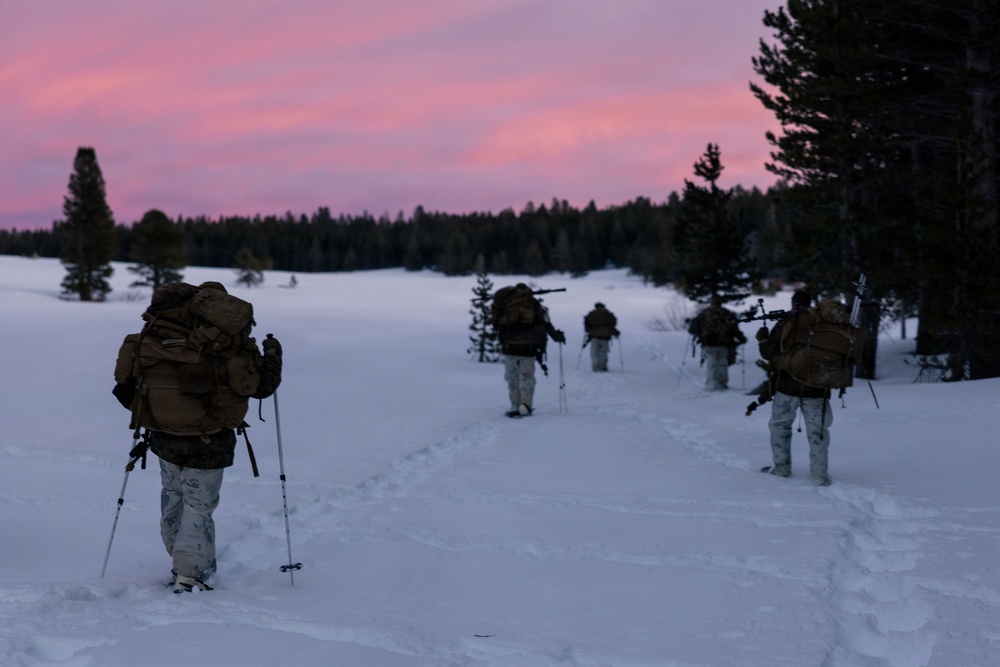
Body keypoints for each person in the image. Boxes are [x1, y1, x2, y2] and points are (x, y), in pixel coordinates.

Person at [114, 282, 283, 592]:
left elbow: (124, 384)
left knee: (173, 496)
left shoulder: (154, 336)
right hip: (209, 439)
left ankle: (183, 562)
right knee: (199, 506)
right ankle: (189, 574)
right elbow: (260, 387)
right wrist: (273, 355)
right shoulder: (227, 345)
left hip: (163, 436)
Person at [756, 289, 833, 486]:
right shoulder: (824, 324)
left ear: (793, 304)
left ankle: (782, 469)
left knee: (780, 427)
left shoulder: (785, 323)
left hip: (787, 388)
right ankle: (819, 476)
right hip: (817, 389)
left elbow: (769, 354)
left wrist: (763, 339)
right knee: (818, 433)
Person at [492, 283, 566, 417]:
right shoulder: (536, 306)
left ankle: (515, 405)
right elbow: (547, 325)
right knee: (527, 377)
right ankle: (526, 405)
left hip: (510, 347)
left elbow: (496, 324)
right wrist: (558, 337)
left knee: (512, 378)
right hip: (529, 347)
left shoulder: (506, 304)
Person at [687, 295, 747, 390]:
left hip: (708, 343)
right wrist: (741, 338)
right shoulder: (726, 313)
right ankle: (723, 383)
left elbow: (693, 329)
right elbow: (734, 328)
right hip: (724, 343)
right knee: (723, 363)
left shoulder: (704, 313)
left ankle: (712, 384)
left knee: (711, 363)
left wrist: (700, 335)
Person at [583, 302, 620, 372]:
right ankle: (603, 366)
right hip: (605, 336)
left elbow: (586, 325)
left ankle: (595, 366)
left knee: (594, 353)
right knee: (603, 352)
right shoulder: (608, 314)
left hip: (594, 336)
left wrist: (589, 331)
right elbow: (614, 323)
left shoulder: (591, 314)